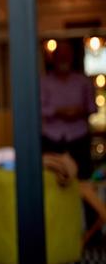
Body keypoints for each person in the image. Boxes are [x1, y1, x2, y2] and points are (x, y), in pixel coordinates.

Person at [41, 40, 96, 181]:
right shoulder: (44, 82)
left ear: (72, 57)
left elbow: (92, 108)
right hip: (52, 138)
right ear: (54, 58)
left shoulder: (83, 82)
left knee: (82, 178)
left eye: (67, 55)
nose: (63, 58)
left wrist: (78, 112)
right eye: (60, 55)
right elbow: (39, 109)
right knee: (51, 178)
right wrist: (59, 112)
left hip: (79, 137)